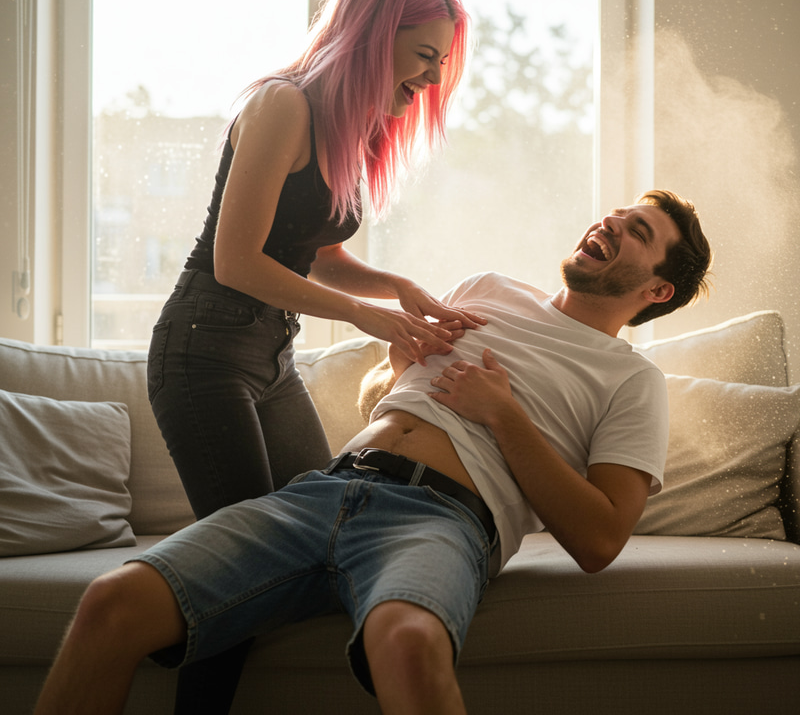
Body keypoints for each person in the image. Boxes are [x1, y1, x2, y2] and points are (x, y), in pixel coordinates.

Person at [36, 190, 712, 715]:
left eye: (639, 233)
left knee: (411, 646)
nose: (613, 225)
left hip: (442, 520)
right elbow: (382, 397)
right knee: (111, 602)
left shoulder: (632, 380)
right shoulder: (487, 289)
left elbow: (600, 537)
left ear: (657, 290)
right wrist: (395, 364)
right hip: (324, 490)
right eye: (618, 216)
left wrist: (504, 414)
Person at [147, 0, 483, 713]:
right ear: (375, 34)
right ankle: (158, 623)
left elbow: (316, 250)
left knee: (330, 537)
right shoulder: (280, 105)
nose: (430, 80)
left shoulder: (344, 125)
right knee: (235, 572)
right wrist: (364, 317)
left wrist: (397, 287)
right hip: (202, 354)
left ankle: (161, 616)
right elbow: (237, 262)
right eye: (425, 55)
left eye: (440, 63)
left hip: (268, 360)